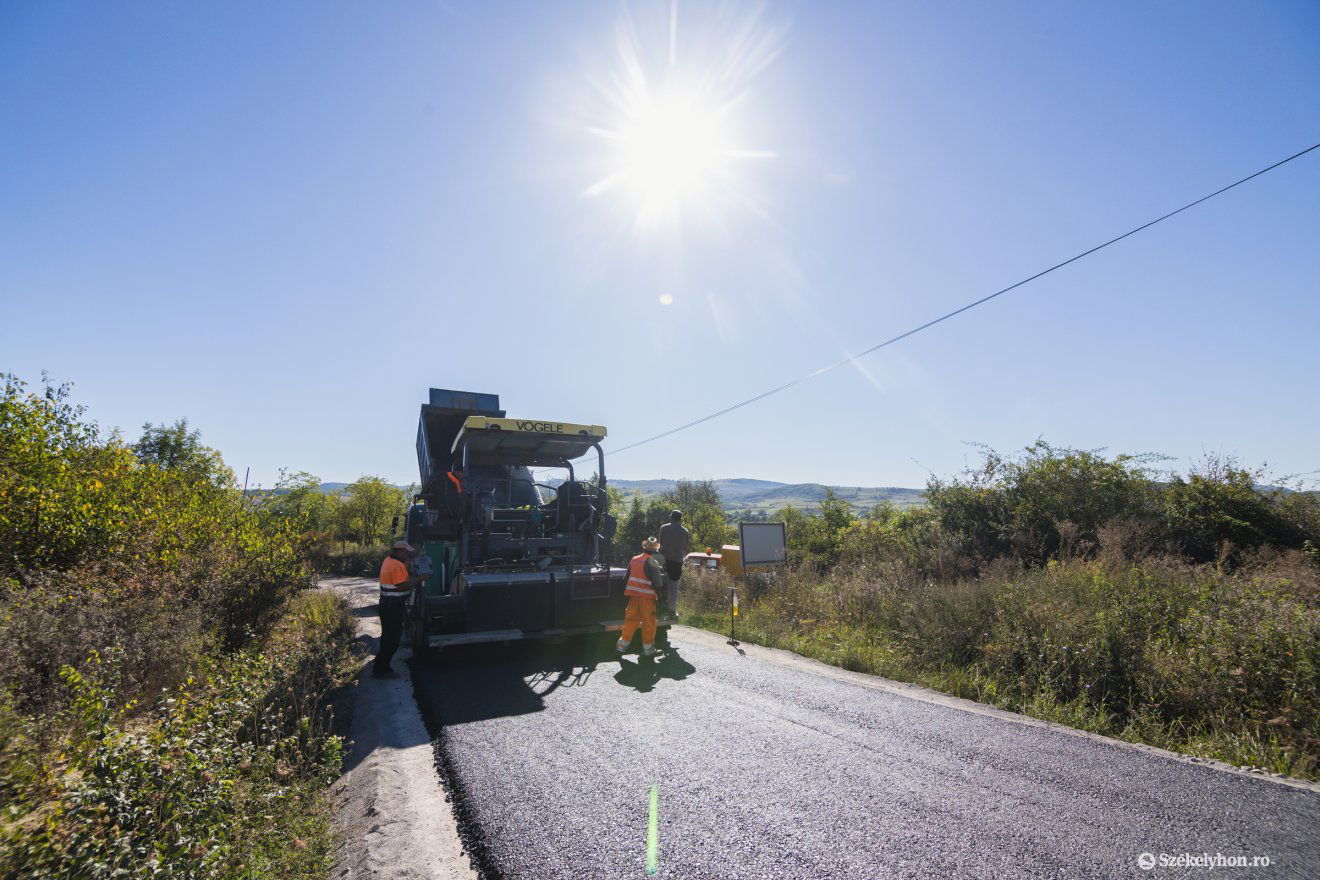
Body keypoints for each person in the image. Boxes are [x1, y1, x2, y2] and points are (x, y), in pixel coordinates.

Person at [374, 540, 421, 679]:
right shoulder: (397, 565)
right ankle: (382, 670)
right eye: (407, 552)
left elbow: (399, 574)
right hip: (393, 606)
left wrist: (408, 569)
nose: (409, 555)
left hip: (386, 604)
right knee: (392, 639)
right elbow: (401, 586)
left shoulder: (388, 560)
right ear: (400, 551)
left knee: (387, 637)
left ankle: (380, 665)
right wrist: (421, 578)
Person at [617, 536, 666, 657]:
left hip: (633, 597)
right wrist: (661, 601)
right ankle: (648, 650)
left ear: (644, 548)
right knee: (649, 623)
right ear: (655, 550)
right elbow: (657, 584)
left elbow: (626, 578)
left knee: (630, 621)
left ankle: (621, 647)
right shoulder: (652, 562)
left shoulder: (634, 559)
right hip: (647, 599)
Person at [658, 509, 690, 620]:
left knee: (659, 586)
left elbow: (660, 543)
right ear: (680, 519)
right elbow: (685, 549)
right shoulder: (685, 532)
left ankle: (660, 610)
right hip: (676, 563)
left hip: (663, 561)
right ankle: (672, 611)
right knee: (673, 588)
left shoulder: (664, 528)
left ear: (671, 517)